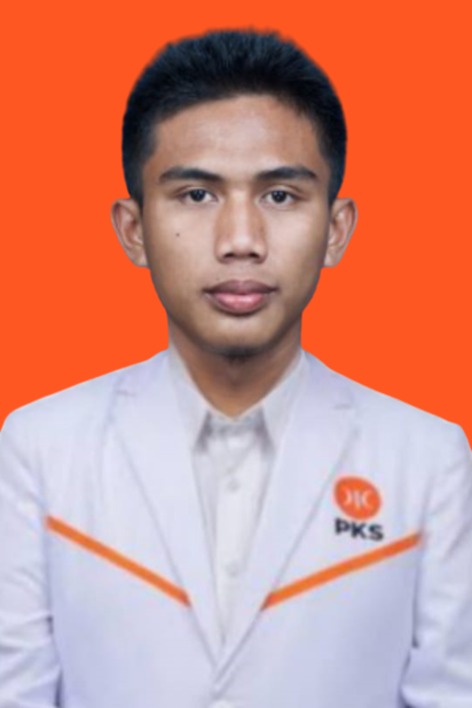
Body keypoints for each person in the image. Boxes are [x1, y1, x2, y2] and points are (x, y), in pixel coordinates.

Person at [0, 28, 471, 708]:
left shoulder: (427, 460)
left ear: (336, 228)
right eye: (197, 195)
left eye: (280, 196)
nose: (241, 241)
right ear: (133, 229)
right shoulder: (39, 449)